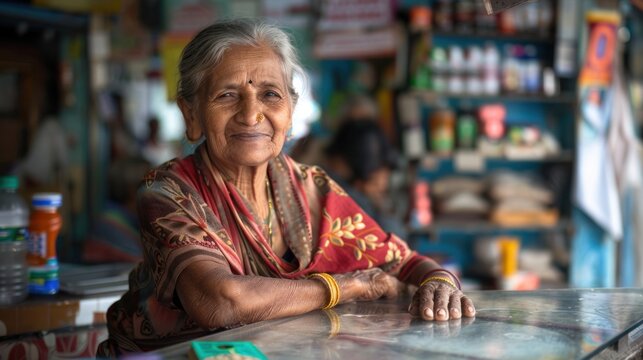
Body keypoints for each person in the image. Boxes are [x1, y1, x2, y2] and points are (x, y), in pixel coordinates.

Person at [98, 19, 475, 356]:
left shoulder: (312, 186)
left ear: (290, 112)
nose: (250, 114)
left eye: (270, 94)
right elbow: (221, 300)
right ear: (191, 113)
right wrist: (346, 287)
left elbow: (405, 262)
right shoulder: (168, 192)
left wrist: (440, 282)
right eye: (227, 95)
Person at [324, 120, 407, 238]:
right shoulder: (347, 197)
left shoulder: (334, 182)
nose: (384, 182)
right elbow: (394, 241)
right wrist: (380, 205)